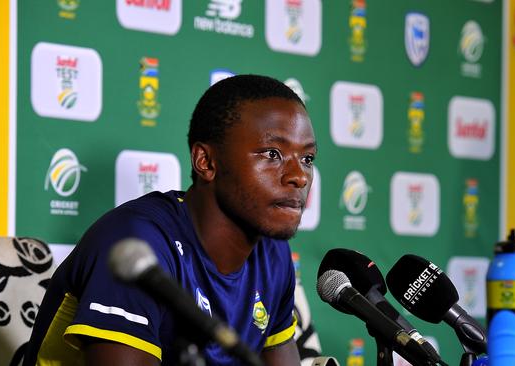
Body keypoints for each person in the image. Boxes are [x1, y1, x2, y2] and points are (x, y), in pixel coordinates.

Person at [24, 74, 317, 366]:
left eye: (307, 158)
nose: (299, 176)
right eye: (272, 154)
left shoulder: (272, 253)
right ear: (206, 162)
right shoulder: (137, 244)